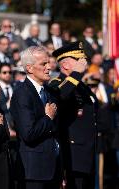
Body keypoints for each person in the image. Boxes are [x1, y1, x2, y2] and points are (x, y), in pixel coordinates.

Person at [49, 41, 97, 189]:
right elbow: (61, 95)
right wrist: (76, 74)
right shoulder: (57, 83)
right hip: (72, 153)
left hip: (87, 152)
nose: (83, 62)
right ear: (65, 64)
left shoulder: (81, 85)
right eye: (78, 60)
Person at [10, 46, 59, 189]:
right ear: (29, 68)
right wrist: (48, 117)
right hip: (34, 171)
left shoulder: (49, 91)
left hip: (52, 168)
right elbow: (28, 133)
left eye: (49, 62)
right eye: (43, 64)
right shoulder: (22, 94)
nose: (49, 67)